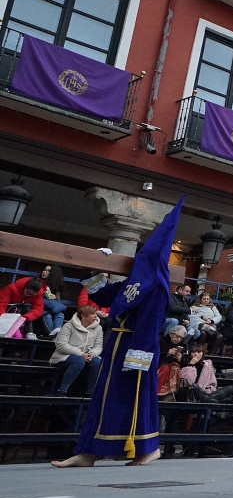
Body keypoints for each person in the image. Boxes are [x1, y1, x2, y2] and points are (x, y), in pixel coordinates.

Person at [51, 199, 183, 468]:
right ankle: (89, 451)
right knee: (104, 397)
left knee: (132, 398)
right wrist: (99, 265)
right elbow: (99, 294)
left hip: (136, 346)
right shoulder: (130, 284)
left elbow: (150, 323)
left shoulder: (156, 288)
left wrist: (139, 356)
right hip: (117, 343)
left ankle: (147, 448)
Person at [50, 303, 104, 396]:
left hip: (87, 356)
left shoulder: (98, 328)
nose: (96, 316)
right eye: (92, 313)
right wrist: (80, 353)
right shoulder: (69, 326)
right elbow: (61, 345)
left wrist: (92, 354)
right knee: (78, 361)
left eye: (95, 313)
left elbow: (99, 346)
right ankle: (62, 390)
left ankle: (91, 393)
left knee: (97, 362)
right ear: (83, 315)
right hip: (64, 356)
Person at [0, 273, 46, 338]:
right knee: (21, 308)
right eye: (28, 292)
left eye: (32, 295)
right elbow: (1, 304)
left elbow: (38, 308)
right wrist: (3, 319)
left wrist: (25, 318)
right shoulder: (11, 288)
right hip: (9, 313)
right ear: (25, 287)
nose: (29, 295)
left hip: (22, 317)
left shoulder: (38, 295)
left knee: (27, 308)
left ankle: (29, 332)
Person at [36, 265, 68, 336]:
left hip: (49, 306)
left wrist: (55, 297)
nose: (44, 272)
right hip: (38, 305)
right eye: (44, 270)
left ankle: (57, 330)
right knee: (47, 315)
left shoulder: (55, 285)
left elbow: (58, 299)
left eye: (48, 271)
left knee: (60, 314)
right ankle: (53, 335)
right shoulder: (37, 282)